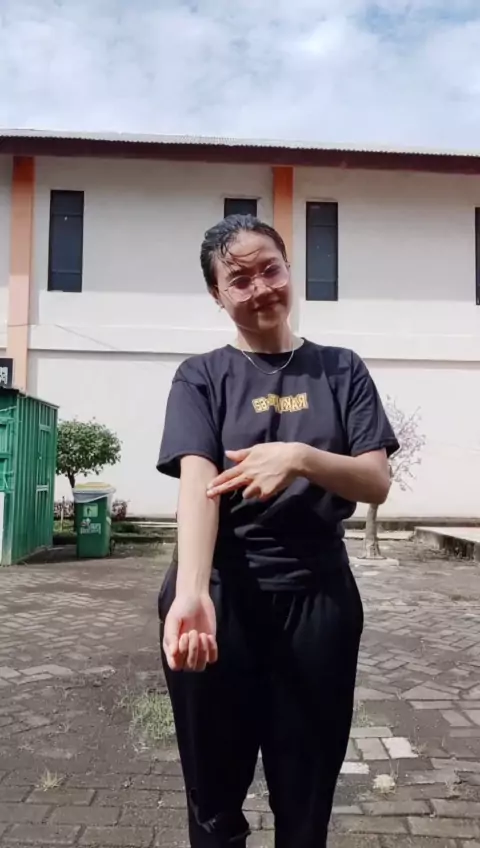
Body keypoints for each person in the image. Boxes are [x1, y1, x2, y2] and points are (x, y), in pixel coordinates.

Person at [156, 213, 399, 848]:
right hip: (221, 596)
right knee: (213, 799)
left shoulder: (340, 370)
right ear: (217, 294)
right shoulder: (201, 376)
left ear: (290, 269)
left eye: (271, 269)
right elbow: (198, 485)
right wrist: (191, 593)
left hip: (318, 600)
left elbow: (375, 481)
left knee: (306, 796)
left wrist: (299, 457)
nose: (261, 287)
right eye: (240, 279)